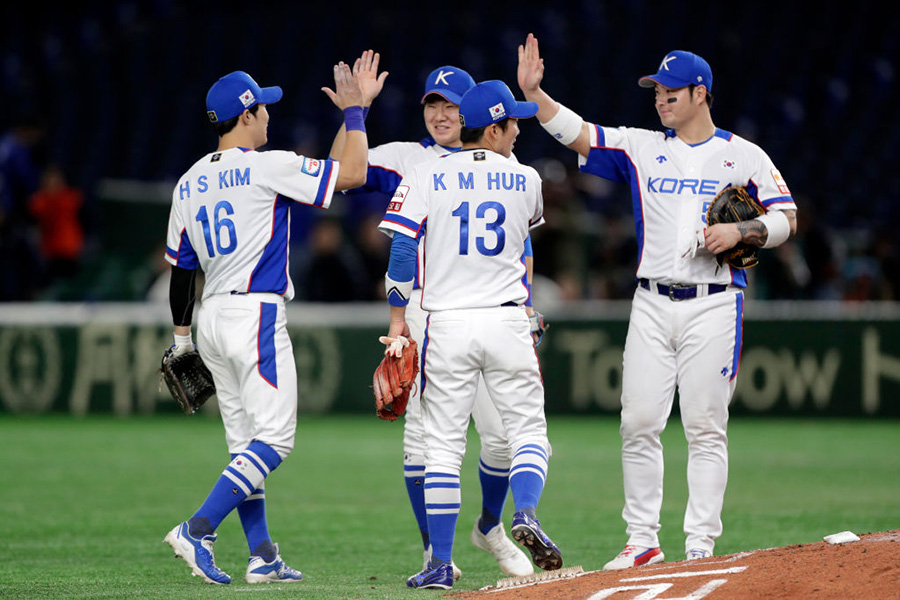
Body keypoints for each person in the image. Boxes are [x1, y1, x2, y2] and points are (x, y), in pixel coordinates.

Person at [517, 34, 798, 569]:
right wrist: (536, 96)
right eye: (656, 90)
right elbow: (581, 135)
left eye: (671, 90)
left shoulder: (744, 155)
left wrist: (747, 232)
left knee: (704, 424)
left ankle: (700, 546)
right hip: (650, 300)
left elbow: (789, 217)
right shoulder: (643, 146)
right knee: (639, 420)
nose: (661, 98)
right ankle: (642, 539)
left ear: (701, 93)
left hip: (715, 302)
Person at [161, 65, 368, 585]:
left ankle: (262, 556)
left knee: (244, 444)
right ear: (247, 114)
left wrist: (180, 339)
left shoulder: (188, 182)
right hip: (254, 312)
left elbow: (182, 273)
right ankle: (199, 528)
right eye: (263, 107)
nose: (269, 114)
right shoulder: (264, 166)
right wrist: (357, 112)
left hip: (209, 317)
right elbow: (352, 175)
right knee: (275, 438)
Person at [331, 52, 535, 580]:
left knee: (499, 436)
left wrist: (525, 301)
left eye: (451, 104)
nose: (441, 113)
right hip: (424, 306)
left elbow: (523, 249)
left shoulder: (507, 167)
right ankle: (433, 552)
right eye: (432, 103)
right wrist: (356, 114)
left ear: (469, 111)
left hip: (491, 305)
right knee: (424, 438)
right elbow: (340, 174)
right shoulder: (406, 156)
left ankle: (489, 525)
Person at [378, 79, 563, 590]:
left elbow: (399, 257)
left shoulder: (425, 175)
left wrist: (398, 321)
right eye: (514, 124)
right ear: (496, 128)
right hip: (506, 320)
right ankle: (524, 511)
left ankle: (439, 562)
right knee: (526, 431)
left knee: (441, 447)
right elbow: (520, 248)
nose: (519, 131)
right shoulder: (527, 179)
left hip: (447, 324)